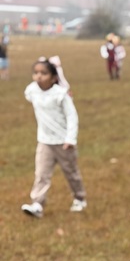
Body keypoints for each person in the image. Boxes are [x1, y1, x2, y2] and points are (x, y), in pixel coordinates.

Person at [21, 57, 87, 219]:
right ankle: (37, 204)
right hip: (44, 141)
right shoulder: (32, 90)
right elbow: (28, 96)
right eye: (36, 73)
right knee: (41, 174)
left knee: (71, 173)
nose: (39, 76)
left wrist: (70, 139)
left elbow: (72, 117)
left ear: (53, 77)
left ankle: (80, 198)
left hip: (64, 142)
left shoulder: (60, 94)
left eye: (43, 73)